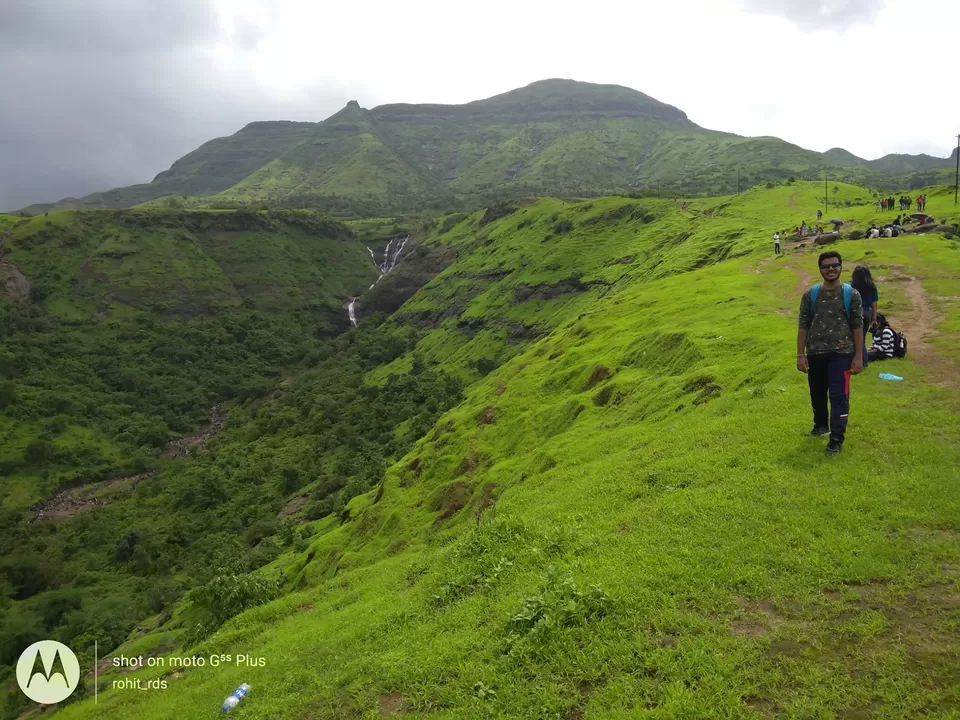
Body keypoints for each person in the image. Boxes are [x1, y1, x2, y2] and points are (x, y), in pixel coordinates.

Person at [797, 251, 864, 455]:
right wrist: (800, 354)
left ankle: (836, 439)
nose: (831, 269)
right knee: (817, 394)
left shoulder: (851, 295)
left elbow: (857, 326)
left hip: (841, 354)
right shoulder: (810, 295)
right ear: (820, 269)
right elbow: (803, 325)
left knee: (838, 396)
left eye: (834, 265)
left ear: (841, 266)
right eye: (826, 266)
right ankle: (820, 426)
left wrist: (858, 357)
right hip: (815, 352)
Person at [851, 265, 879, 368]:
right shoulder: (872, 287)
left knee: (857, 339)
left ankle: (861, 362)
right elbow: (874, 304)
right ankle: (863, 361)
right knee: (861, 338)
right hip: (867, 313)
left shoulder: (852, 286)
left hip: (857, 313)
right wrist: (874, 319)